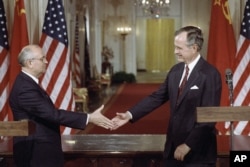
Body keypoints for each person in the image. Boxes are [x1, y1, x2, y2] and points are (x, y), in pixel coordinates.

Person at [112, 26, 222, 167]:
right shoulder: (176, 70)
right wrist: (129, 115)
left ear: (194, 48)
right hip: (172, 149)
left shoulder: (210, 74)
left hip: (198, 153)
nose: (175, 51)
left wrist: (188, 145)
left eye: (179, 48)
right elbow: (157, 97)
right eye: (175, 47)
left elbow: (209, 118)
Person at [9, 44, 115, 167]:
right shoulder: (25, 88)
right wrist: (89, 118)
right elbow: (52, 114)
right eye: (42, 59)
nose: (46, 61)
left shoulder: (27, 83)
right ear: (30, 63)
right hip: (36, 152)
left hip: (41, 148)